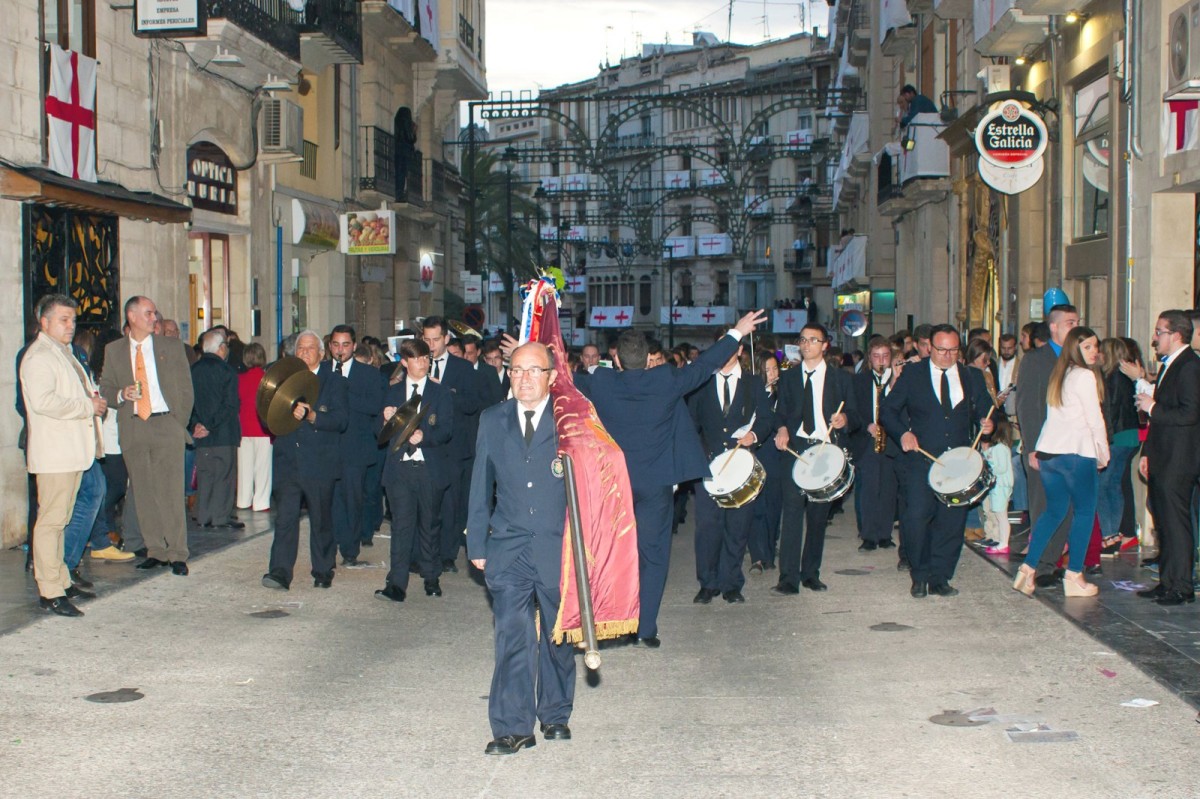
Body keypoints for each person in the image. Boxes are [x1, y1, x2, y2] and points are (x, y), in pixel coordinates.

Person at [576, 309, 767, 644]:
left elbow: (560, 379)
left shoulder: (600, 382)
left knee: (617, 554)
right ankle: (646, 629)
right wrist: (737, 332)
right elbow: (706, 365)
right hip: (655, 484)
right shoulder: (665, 379)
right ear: (648, 357)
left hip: (614, 484)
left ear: (616, 358)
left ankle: (618, 626)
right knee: (653, 556)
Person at [467, 342, 576, 756]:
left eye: (534, 371)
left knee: (556, 636)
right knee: (512, 636)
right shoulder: (492, 420)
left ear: (551, 376)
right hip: (508, 546)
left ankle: (555, 713)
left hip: (557, 545)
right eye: (516, 370)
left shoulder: (569, 421)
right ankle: (513, 726)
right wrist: (477, 541)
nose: (524, 378)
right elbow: (480, 484)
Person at [880, 325, 994, 598]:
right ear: (929, 347)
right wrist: (903, 433)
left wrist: (988, 424)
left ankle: (940, 577)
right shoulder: (913, 374)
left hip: (958, 463)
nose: (947, 355)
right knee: (916, 518)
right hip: (921, 459)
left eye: (953, 350)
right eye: (941, 349)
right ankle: (919, 574)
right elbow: (888, 410)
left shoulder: (971, 376)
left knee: (951, 522)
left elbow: (985, 410)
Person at [20, 295, 107, 616]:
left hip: (72, 452)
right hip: (55, 454)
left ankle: (61, 578)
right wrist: (88, 406)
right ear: (44, 322)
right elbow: (44, 401)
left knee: (62, 519)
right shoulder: (39, 356)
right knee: (51, 522)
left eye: (72, 320)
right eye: (63, 320)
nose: (71, 326)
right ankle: (50, 590)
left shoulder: (63, 352)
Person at [98, 296, 195, 575]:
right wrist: (120, 394)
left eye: (154, 313)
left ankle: (177, 553)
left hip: (166, 424)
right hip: (133, 426)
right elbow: (105, 388)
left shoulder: (171, 346)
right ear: (132, 316)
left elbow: (186, 389)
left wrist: (178, 424)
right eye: (149, 313)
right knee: (142, 492)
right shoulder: (114, 350)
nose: (155, 318)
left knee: (171, 491)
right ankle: (156, 550)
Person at [1012, 326, 1110, 598]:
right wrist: (1103, 451)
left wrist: (1038, 450)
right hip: (1076, 454)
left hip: (1051, 454)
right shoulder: (1084, 376)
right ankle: (1074, 574)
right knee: (1084, 513)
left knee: (1053, 512)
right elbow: (1095, 419)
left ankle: (1028, 568)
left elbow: (1051, 418)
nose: (1094, 352)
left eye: (1095, 346)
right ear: (1074, 348)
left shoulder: (1061, 373)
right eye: (1087, 347)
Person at [770, 323, 859, 594]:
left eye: (813, 340)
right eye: (803, 340)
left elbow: (856, 415)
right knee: (793, 513)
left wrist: (845, 420)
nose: (807, 344)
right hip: (796, 451)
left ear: (825, 345)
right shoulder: (788, 377)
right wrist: (782, 428)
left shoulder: (841, 379)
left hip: (825, 451)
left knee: (818, 517)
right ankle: (788, 578)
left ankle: (811, 573)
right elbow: (780, 413)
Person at [260, 331, 348, 590]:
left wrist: (313, 418)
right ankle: (279, 572)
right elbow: (268, 414)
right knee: (285, 518)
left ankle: (322, 569)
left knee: (321, 519)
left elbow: (341, 420)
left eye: (310, 348)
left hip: (319, 462)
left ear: (322, 353)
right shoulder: (283, 379)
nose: (305, 352)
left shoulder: (334, 382)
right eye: (300, 348)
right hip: (288, 460)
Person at [687, 338, 772, 604]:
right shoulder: (702, 383)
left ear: (739, 350)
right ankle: (707, 583)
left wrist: (755, 435)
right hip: (709, 467)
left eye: (730, 348)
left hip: (741, 465)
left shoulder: (754, 383)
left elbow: (767, 417)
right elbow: (691, 423)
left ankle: (731, 583)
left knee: (737, 527)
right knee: (707, 528)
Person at [376, 338, 455, 602]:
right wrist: (385, 418)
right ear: (404, 362)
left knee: (429, 525)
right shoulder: (392, 392)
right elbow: (379, 435)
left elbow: (446, 430)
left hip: (428, 467)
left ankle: (431, 577)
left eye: (426, 358)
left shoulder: (440, 393)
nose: (423, 363)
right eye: (417, 358)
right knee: (401, 526)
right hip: (400, 469)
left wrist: (426, 436)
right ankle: (396, 583)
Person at [1134, 311, 1200, 605]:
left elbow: (1190, 413)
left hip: (1180, 457)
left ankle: (1182, 586)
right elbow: (1158, 419)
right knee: (1163, 520)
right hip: (1162, 454)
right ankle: (1167, 580)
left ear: (1175, 335)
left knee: (1176, 522)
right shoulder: (1168, 365)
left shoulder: (1189, 367)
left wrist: (1152, 407)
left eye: (1159, 332)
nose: (1154, 338)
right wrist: (1147, 452)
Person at [1014, 304, 1079, 587]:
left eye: (1077, 321)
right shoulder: (1035, 360)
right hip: (1045, 446)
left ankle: (1052, 562)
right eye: (1069, 322)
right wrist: (1031, 447)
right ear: (1053, 327)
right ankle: (1040, 564)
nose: (1074, 326)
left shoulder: (1079, 358)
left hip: (1074, 447)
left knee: (1068, 508)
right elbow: (1027, 405)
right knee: (1044, 505)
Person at [422, 316, 487, 573]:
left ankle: (447, 554)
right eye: (426, 339)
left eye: (435, 339)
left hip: (454, 447)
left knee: (451, 505)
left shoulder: (462, 368)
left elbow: (472, 404)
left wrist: (444, 392)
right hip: (426, 444)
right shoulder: (418, 364)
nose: (430, 345)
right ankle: (426, 552)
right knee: (426, 504)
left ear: (447, 339)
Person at [328, 324, 385, 565]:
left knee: (353, 500)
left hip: (356, 448)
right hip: (327, 448)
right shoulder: (321, 371)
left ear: (353, 346)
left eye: (345, 344)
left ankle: (350, 550)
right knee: (330, 501)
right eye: (336, 344)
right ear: (330, 346)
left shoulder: (368, 374)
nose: (340, 350)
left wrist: (344, 392)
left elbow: (375, 407)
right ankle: (331, 546)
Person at [189, 329, 242, 531]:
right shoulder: (226, 371)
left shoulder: (193, 370)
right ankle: (220, 517)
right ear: (221, 348)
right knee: (224, 476)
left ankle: (203, 515)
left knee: (205, 475)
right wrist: (210, 425)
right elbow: (230, 405)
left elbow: (188, 402)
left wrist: (197, 425)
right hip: (222, 433)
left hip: (201, 434)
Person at [851, 337, 900, 551]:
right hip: (868, 440)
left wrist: (895, 382)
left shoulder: (898, 380)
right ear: (870, 359)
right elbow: (853, 411)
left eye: (885, 356)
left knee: (889, 489)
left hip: (891, 440)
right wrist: (866, 425)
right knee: (869, 490)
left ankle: (885, 534)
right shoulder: (859, 381)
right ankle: (869, 535)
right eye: (876, 356)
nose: (881, 360)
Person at [1097, 338, 1141, 555]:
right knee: (1114, 484)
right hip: (1130, 435)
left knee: (1102, 485)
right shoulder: (1123, 377)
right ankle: (1114, 534)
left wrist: (1103, 440)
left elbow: (1110, 412)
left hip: (1117, 436)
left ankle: (1109, 535)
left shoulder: (1112, 378)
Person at [748, 352, 783, 572]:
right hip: (755, 452)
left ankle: (770, 550)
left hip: (776, 455)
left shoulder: (782, 394)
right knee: (755, 505)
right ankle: (757, 556)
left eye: (774, 369)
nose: (771, 374)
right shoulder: (751, 393)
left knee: (773, 505)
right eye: (767, 370)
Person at [236, 343, 272, 513]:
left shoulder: (239, 379)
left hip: (244, 428)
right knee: (262, 468)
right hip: (263, 429)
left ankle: (243, 500)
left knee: (244, 467)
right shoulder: (267, 379)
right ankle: (261, 502)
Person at [980, 415, 1015, 554]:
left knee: (1001, 515)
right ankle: (1001, 541)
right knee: (997, 513)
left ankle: (1003, 543)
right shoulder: (997, 448)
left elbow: (1001, 468)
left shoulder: (1001, 448)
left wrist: (988, 466)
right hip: (996, 486)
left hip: (1000, 486)